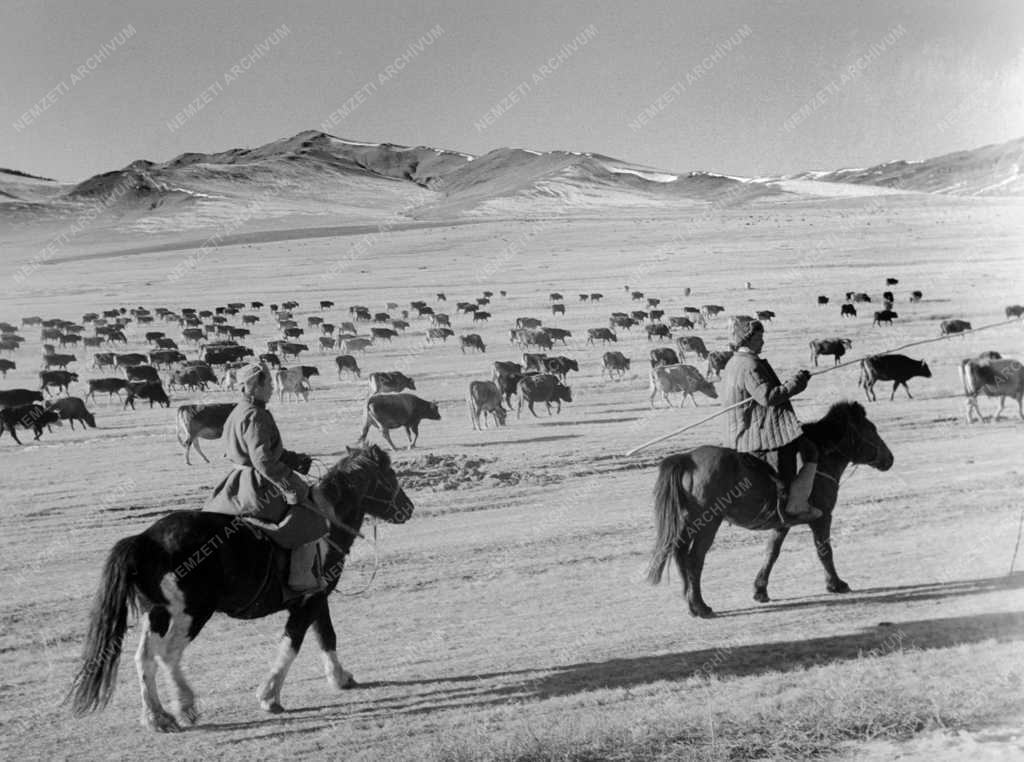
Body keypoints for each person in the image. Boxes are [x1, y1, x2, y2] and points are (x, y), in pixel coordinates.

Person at [203, 363, 333, 594]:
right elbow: (262, 461)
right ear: (254, 386)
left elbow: (254, 451)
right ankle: (301, 577)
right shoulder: (256, 415)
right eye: (269, 384)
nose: (273, 387)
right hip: (259, 485)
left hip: (236, 481)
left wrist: (291, 458)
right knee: (310, 515)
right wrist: (290, 487)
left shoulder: (238, 410)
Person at [721, 320, 822, 524]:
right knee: (805, 455)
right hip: (757, 432)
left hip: (741, 429)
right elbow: (768, 397)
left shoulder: (734, 362)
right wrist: (797, 382)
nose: (763, 342)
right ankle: (791, 508)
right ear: (747, 340)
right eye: (759, 338)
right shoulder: (750, 365)